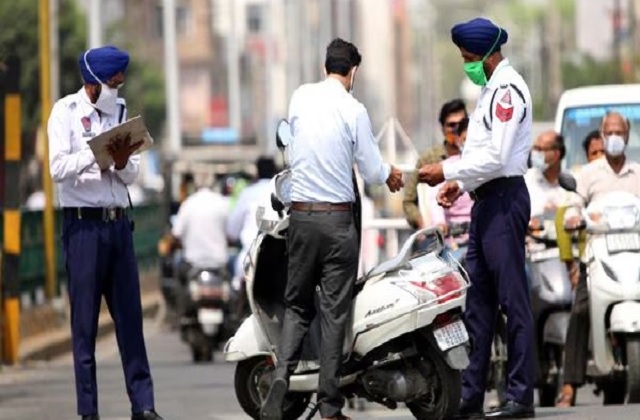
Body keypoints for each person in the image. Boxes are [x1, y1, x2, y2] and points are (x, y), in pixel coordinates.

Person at [260, 38, 404, 420]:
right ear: (352, 71)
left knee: (297, 306)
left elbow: (292, 144)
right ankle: (328, 404)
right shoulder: (354, 109)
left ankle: (281, 376)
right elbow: (373, 172)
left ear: (325, 66)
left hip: (303, 218)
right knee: (334, 313)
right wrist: (390, 175)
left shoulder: (300, 98)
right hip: (338, 222)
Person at [418, 18, 534, 418]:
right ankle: (470, 397)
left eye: (467, 58)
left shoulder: (507, 91)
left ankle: (520, 395)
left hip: (505, 202)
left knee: (512, 300)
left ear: (485, 55)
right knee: (478, 304)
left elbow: (500, 158)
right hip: (486, 199)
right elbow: (480, 157)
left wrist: (447, 170)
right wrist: (462, 184)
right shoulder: (488, 91)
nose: (465, 63)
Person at [48, 46, 163, 420]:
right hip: (82, 228)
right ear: (95, 84)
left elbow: (132, 174)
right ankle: (88, 411)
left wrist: (120, 161)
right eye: (113, 82)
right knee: (84, 327)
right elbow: (57, 167)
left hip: (118, 225)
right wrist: (94, 155)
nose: (118, 87)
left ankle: (143, 405)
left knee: (131, 321)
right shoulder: (65, 112)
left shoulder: (122, 111)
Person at [555, 112, 640, 407]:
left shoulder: (638, 173)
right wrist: (574, 216)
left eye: (620, 132)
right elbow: (571, 204)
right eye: (610, 132)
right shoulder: (588, 174)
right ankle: (569, 385)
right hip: (599, 254)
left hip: (634, 252)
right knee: (580, 311)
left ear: (627, 137)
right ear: (603, 137)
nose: (615, 137)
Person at [403, 99, 468, 229]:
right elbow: (409, 201)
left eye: (461, 124)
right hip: (440, 234)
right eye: (451, 125)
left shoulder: (477, 158)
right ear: (442, 128)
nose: (456, 130)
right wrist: (424, 225)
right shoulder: (428, 160)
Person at [226, 157, 278, 313]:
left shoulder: (247, 193)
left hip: (248, 259)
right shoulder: (283, 191)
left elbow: (232, 231)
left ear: (257, 173)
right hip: (279, 260)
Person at [422, 117, 473, 260]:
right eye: (465, 139)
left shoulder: (490, 169)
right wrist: (440, 223)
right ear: (458, 140)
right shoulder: (446, 168)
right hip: (455, 242)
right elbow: (434, 201)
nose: (469, 145)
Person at [172, 170, 229, 278]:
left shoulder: (187, 204)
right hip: (219, 261)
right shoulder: (222, 203)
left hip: (193, 261)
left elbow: (176, 234)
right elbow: (232, 233)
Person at [525, 131, 567, 220]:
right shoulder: (526, 180)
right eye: (534, 148)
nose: (534, 153)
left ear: (556, 154)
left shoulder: (571, 182)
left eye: (539, 149)